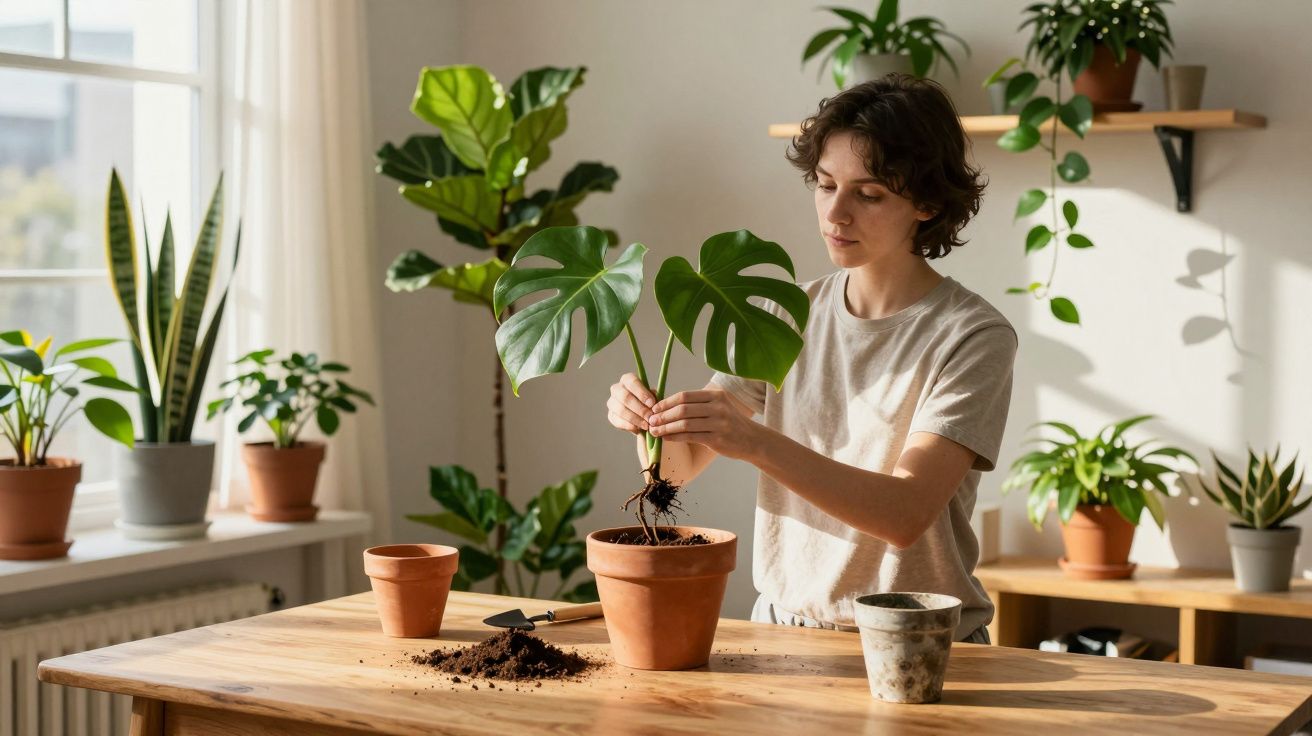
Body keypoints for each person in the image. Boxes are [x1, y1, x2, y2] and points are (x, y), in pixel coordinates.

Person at [605, 74, 1016, 643]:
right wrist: (647, 422)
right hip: (784, 632)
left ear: (926, 203)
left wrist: (754, 442)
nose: (835, 213)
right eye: (825, 185)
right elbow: (677, 468)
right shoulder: (787, 312)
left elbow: (904, 514)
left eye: (868, 194)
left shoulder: (972, 335)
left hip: (916, 642)